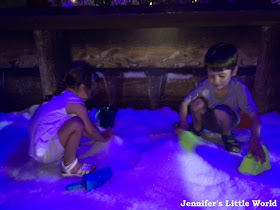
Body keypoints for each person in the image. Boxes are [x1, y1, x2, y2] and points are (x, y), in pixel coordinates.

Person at [176, 42, 266, 163]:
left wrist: (255, 142)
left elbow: (254, 115)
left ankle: (228, 136)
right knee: (196, 103)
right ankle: (197, 131)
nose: (216, 81)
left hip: (228, 120)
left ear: (234, 71)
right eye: (211, 76)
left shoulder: (240, 89)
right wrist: (183, 124)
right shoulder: (205, 86)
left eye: (221, 76)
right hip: (210, 119)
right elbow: (184, 103)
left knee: (220, 111)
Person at [29, 61, 113, 177]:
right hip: (45, 152)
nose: (90, 94)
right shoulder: (75, 103)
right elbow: (90, 130)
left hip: (36, 150)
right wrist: (103, 138)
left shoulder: (59, 98)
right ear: (82, 87)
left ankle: (68, 162)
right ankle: (70, 166)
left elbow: (83, 130)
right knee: (77, 123)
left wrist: (97, 135)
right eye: (91, 89)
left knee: (76, 123)